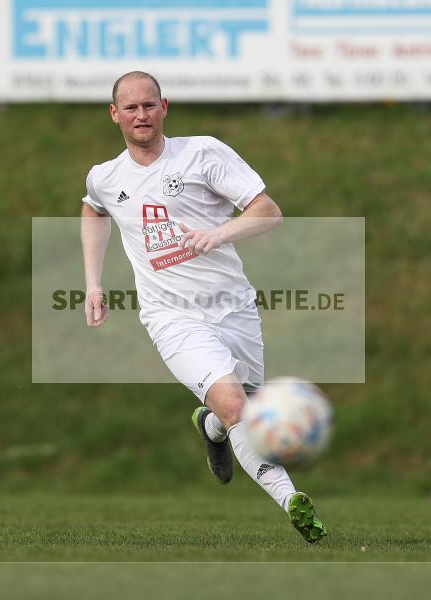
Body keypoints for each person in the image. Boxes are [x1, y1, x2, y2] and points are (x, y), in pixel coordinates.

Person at [80, 71, 326, 543]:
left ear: (164, 107)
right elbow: (94, 209)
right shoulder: (106, 177)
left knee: (242, 410)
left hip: (232, 306)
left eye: (149, 105)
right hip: (170, 315)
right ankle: (294, 503)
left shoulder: (203, 153)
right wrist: (93, 284)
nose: (141, 115)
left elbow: (267, 212)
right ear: (115, 115)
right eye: (130, 108)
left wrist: (219, 233)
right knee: (239, 408)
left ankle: (210, 426)